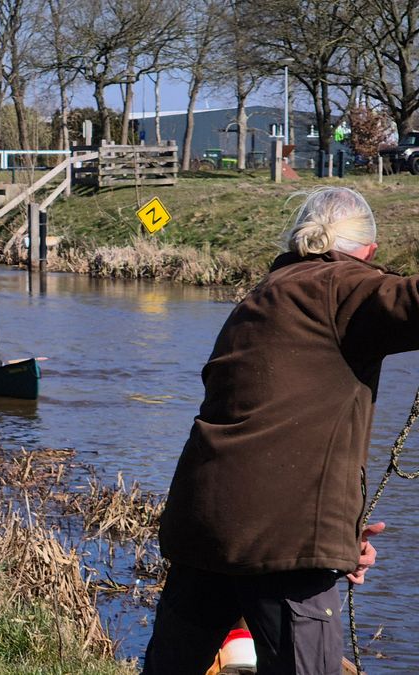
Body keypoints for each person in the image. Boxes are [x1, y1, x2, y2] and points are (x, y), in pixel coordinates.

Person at [143, 187, 404, 675]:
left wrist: (339, 536)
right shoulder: (340, 285)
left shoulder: (265, 292)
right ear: (368, 252)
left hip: (202, 525)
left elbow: (270, 429)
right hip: (281, 546)